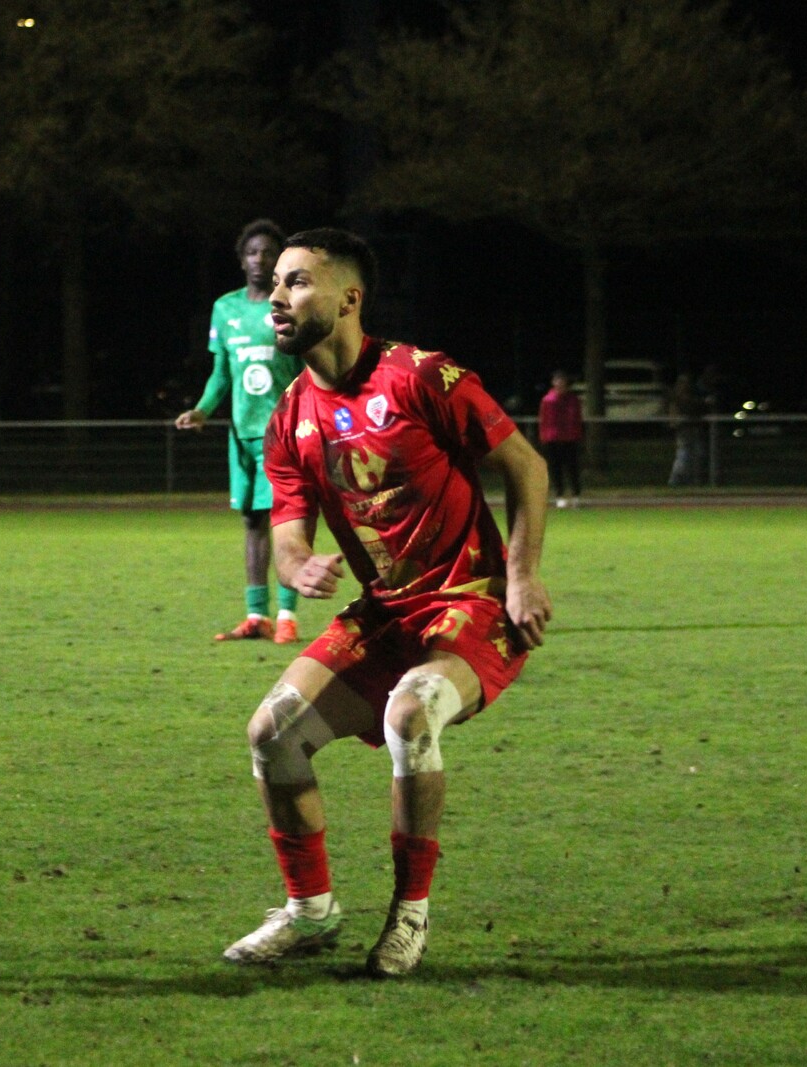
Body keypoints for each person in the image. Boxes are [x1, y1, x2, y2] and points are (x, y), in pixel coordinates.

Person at [221, 228, 551, 977]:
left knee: (411, 712)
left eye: (297, 282)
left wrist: (523, 576)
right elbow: (287, 535)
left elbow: (526, 465)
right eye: (276, 283)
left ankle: (408, 916)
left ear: (349, 298)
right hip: (386, 611)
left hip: (471, 602)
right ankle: (310, 911)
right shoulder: (290, 417)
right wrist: (299, 565)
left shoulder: (421, 377)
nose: (277, 297)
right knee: (272, 733)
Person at [176, 219, 305, 643]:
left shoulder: (290, 306)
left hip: (282, 435)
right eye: (252, 252)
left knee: (286, 522)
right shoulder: (225, 309)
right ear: (241, 259)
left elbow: (306, 371)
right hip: (242, 436)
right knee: (252, 521)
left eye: (268, 253)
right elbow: (221, 374)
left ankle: (286, 616)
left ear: (279, 261)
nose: (259, 259)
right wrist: (201, 410)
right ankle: (256, 616)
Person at [537, 369, 584, 507]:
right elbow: (543, 420)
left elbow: (577, 418)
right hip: (553, 438)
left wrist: (578, 434)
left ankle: (576, 496)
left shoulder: (573, 400)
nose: (560, 383)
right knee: (556, 469)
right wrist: (544, 436)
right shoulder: (548, 400)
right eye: (557, 380)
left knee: (572, 468)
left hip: (570, 438)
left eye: (562, 380)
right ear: (553, 382)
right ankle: (559, 495)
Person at [668, 372, 707, 487]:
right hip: (684, 430)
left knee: (697, 454)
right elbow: (675, 416)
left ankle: (691, 480)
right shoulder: (678, 398)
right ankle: (675, 481)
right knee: (683, 455)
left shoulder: (690, 397)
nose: (686, 385)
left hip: (692, 429)